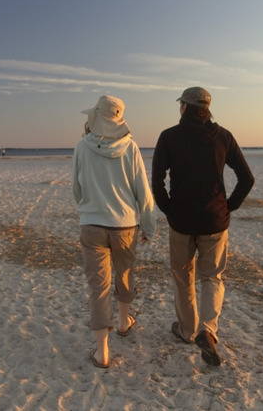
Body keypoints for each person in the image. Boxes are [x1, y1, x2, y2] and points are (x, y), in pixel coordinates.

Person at [151, 87, 254, 367]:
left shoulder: (169, 136)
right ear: (207, 108)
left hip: (182, 221)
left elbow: (157, 181)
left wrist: (168, 209)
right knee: (212, 278)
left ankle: (187, 331)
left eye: (181, 104)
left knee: (183, 277)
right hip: (214, 221)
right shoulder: (223, 136)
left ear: (184, 106)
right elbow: (246, 178)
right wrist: (228, 206)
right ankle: (208, 330)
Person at [72, 95, 156, 369]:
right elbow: (143, 191)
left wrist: (90, 207)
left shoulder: (82, 148)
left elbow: (77, 189)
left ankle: (102, 351)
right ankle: (123, 322)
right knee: (125, 272)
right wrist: (148, 226)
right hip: (125, 225)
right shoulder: (130, 147)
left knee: (98, 287)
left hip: (92, 225)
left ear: (96, 117)